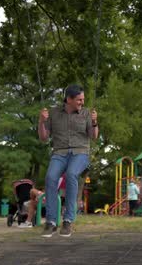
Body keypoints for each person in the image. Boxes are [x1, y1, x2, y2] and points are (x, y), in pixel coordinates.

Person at [38, 84, 99, 237]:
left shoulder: (86, 113)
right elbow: (44, 138)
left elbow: (94, 136)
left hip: (80, 153)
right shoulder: (53, 113)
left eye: (83, 99)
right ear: (69, 99)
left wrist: (94, 122)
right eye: (79, 100)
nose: (82, 102)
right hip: (59, 153)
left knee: (71, 174)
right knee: (50, 178)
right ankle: (51, 222)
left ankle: (68, 221)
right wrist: (41, 122)